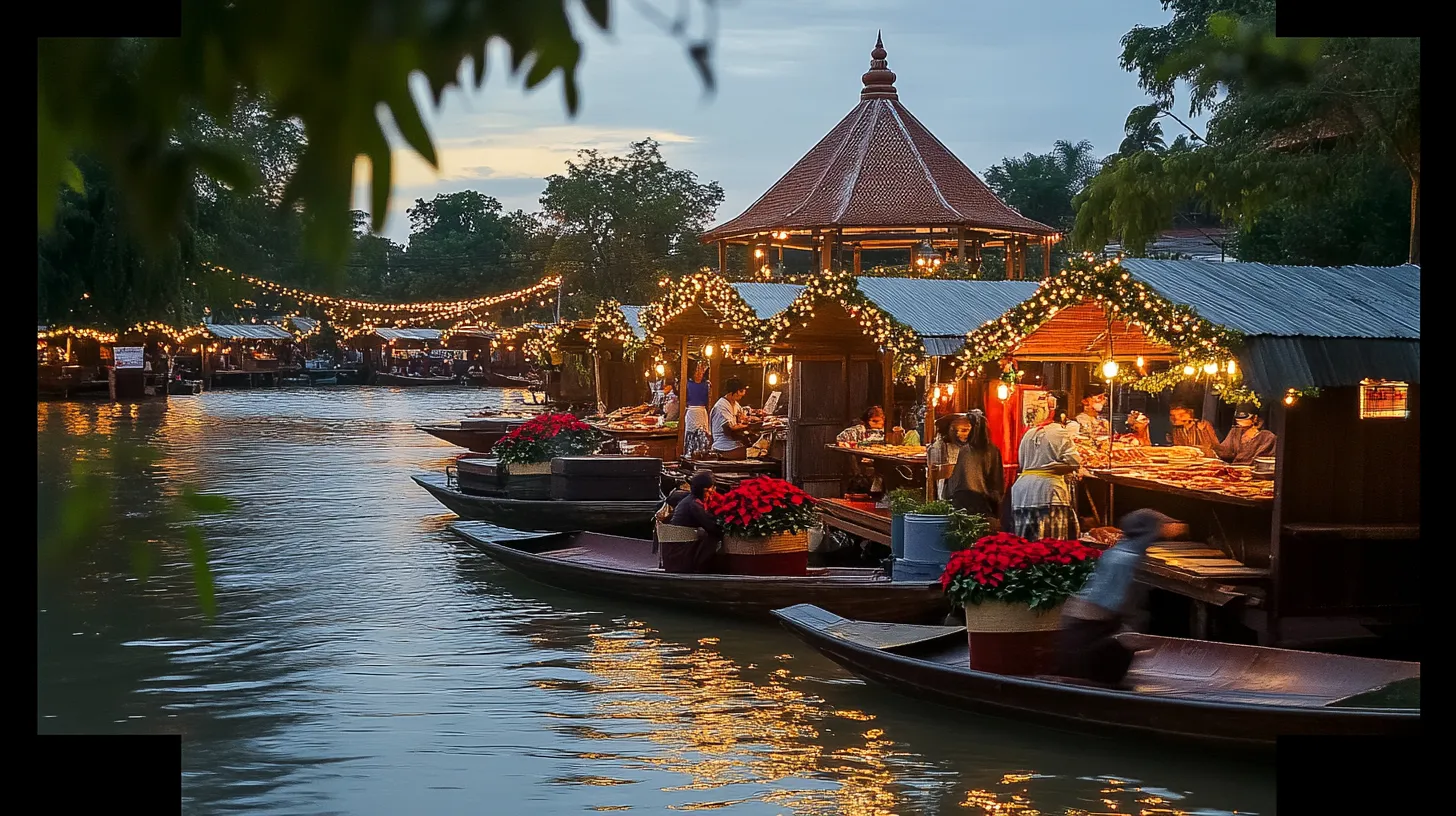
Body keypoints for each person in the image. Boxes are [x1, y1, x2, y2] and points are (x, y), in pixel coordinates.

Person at [1057, 509, 1188, 687]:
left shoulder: (1118, 552)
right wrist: (1129, 630)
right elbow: (1116, 601)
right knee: (1096, 678)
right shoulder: (1126, 559)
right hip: (1092, 628)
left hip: (1083, 622)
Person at [1009, 392, 1082, 541]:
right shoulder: (1059, 432)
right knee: (1051, 543)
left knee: (1025, 542)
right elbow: (1074, 462)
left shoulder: (1029, 434)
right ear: (1063, 416)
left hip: (1022, 492)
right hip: (1048, 492)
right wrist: (1053, 467)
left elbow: (1022, 463)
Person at [945, 410, 1005, 527]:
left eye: (967, 429)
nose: (961, 434)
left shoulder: (969, 450)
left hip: (974, 502)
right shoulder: (973, 450)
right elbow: (997, 483)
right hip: (977, 502)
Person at [659, 471, 722, 574]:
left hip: (677, 548)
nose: (710, 493)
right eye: (707, 490)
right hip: (682, 550)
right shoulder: (694, 504)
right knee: (712, 537)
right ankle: (702, 567)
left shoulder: (689, 500)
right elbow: (712, 526)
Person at [1128, 403, 1220, 457]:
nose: (1176, 419)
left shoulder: (1203, 426)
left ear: (1190, 414)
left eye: (1181, 415)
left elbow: (1215, 447)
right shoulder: (1175, 430)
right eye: (1172, 415)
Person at [927, 414, 972, 500]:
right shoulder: (938, 448)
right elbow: (937, 478)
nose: (968, 434)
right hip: (949, 495)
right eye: (964, 430)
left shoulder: (969, 447)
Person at [710, 378, 757, 460]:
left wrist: (754, 417)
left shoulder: (735, 403)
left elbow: (743, 416)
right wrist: (749, 426)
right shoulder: (721, 406)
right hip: (724, 445)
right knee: (756, 453)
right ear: (735, 392)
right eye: (741, 392)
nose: (742, 395)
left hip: (734, 443)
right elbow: (730, 428)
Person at [683, 361, 713, 457]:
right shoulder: (687, 384)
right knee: (690, 435)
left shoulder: (707, 384)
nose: (699, 374)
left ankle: (702, 454)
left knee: (702, 436)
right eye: (697, 371)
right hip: (691, 411)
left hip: (702, 412)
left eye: (701, 371)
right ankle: (689, 454)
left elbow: (709, 401)